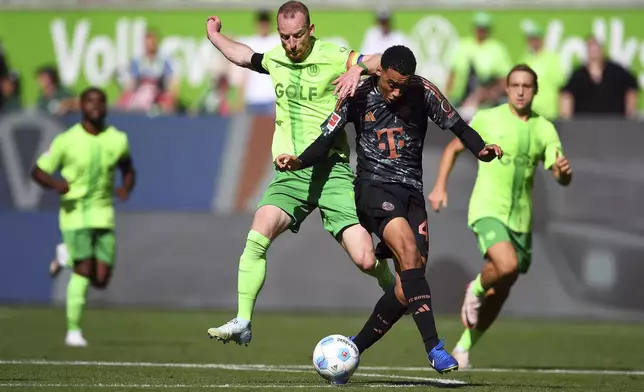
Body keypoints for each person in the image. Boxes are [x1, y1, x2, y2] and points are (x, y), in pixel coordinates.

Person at [275, 45, 503, 376]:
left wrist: (480, 149)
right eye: (392, 83)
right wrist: (299, 160)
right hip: (373, 188)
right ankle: (434, 347)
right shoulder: (358, 93)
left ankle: (353, 348)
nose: (397, 92)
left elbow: (458, 125)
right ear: (379, 71)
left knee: (407, 284)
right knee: (409, 253)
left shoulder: (421, 90)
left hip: (412, 194)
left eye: (402, 85)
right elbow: (327, 136)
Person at [204, 0, 396, 346]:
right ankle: (243, 320)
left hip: (331, 171)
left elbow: (388, 58)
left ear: (310, 30)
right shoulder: (276, 57)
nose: (290, 45)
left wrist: (359, 69)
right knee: (257, 234)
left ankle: (391, 285)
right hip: (290, 176)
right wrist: (214, 36)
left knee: (366, 259)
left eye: (296, 36)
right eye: (284, 37)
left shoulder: (333, 55)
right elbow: (244, 55)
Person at [428, 64, 573, 369]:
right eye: (515, 85)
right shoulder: (488, 118)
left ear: (535, 91)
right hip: (487, 209)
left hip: (521, 219)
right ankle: (476, 288)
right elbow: (454, 149)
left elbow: (559, 173)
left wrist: (562, 173)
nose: (521, 91)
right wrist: (440, 186)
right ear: (507, 89)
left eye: (527, 86)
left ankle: (465, 347)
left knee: (502, 290)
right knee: (503, 266)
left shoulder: (544, 128)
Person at [31, 87, 136, 347]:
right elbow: (38, 171)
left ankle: (64, 255)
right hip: (74, 213)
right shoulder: (66, 140)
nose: (96, 106)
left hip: (104, 214)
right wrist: (56, 185)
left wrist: (126, 187)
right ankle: (73, 331)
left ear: (106, 107)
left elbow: (128, 169)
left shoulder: (117, 139)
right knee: (83, 270)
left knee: (100, 280)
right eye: (90, 102)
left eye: (101, 102)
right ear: (81, 106)